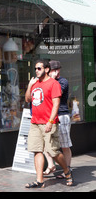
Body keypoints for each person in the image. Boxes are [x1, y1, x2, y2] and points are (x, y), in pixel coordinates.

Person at [24, 59, 73, 188]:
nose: (36, 71)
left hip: (48, 122)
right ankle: (40, 181)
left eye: (39, 68)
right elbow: (28, 99)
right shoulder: (35, 83)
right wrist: (30, 85)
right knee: (37, 151)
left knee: (54, 152)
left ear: (46, 69)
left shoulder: (54, 84)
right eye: (35, 68)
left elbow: (56, 104)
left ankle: (67, 171)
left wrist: (51, 121)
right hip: (35, 122)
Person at [44, 60, 72, 176]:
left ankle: (67, 169)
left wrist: (52, 79)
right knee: (45, 143)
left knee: (64, 145)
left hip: (61, 115)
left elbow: (56, 93)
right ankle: (51, 165)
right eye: (51, 70)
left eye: (55, 70)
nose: (53, 72)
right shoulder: (47, 82)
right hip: (50, 116)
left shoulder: (62, 81)